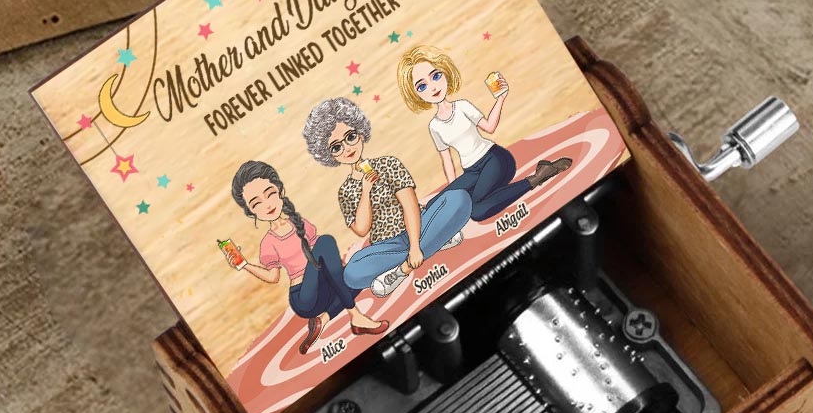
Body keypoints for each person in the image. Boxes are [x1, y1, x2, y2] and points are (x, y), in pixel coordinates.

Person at [302, 98, 472, 298]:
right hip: (388, 246)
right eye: (336, 147)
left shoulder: (388, 164)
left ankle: (402, 270)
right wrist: (366, 190)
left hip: (419, 225)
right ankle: (437, 241)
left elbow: (409, 204)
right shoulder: (345, 191)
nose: (347, 148)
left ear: (360, 133)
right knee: (351, 273)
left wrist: (415, 247)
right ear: (329, 155)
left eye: (350, 137)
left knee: (459, 199)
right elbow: (361, 229)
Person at [227, 160, 388, 355]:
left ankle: (323, 320)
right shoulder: (268, 242)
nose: (267, 204)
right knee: (326, 242)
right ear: (251, 212)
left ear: (280, 191)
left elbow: (324, 257)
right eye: (256, 203)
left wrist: (340, 271)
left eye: (270, 194)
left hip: (324, 289)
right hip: (304, 298)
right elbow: (273, 277)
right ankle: (356, 317)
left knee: (355, 277)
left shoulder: (298, 222)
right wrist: (244, 264)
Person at [395, 44, 571, 221]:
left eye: (436, 76)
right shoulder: (434, 126)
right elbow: (447, 160)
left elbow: (489, 127)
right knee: (435, 203)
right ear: (416, 94)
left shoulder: (462, 106)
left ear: (445, 72)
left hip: (495, 160)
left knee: (476, 210)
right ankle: (532, 177)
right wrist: (453, 195)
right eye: (422, 86)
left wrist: (501, 98)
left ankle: (536, 178)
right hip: (471, 171)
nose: (433, 87)